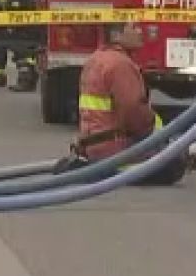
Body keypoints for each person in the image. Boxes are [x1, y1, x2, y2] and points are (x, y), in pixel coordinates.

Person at [75, 21, 186, 185]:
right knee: (174, 165)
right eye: (133, 28)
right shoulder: (120, 64)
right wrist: (155, 138)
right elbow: (133, 112)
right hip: (116, 152)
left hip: (93, 148)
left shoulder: (96, 59)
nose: (140, 32)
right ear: (116, 35)